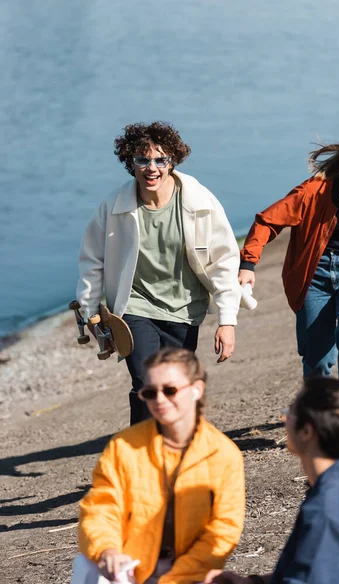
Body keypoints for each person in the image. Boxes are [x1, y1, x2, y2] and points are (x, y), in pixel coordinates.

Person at [77, 121, 253, 424]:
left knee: (175, 388)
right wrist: (90, 312)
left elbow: (224, 261)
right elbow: (92, 260)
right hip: (134, 307)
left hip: (184, 310)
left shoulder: (199, 202)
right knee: (146, 385)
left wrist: (227, 320)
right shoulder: (114, 207)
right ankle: (142, 456)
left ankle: (175, 449)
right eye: (142, 160)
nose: (151, 168)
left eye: (161, 159)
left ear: (173, 161)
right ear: (130, 162)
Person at [239, 130, 339, 399]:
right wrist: (248, 264)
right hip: (314, 273)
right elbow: (267, 221)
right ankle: (318, 408)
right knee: (319, 357)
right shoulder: (313, 193)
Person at [71, 348, 245, 584]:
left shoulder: (223, 455)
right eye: (150, 392)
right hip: (127, 571)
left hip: (191, 575)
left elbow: (224, 529)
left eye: (170, 390)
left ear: (197, 389)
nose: (159, 399)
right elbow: (102, 507)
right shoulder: (124, 446)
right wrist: (107, 550)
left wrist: (176, 578)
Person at [205, 376, 339, 584]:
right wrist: (253, 582)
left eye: (290, 413)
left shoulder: (327, 511)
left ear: (307, 431)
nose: (283, 419)